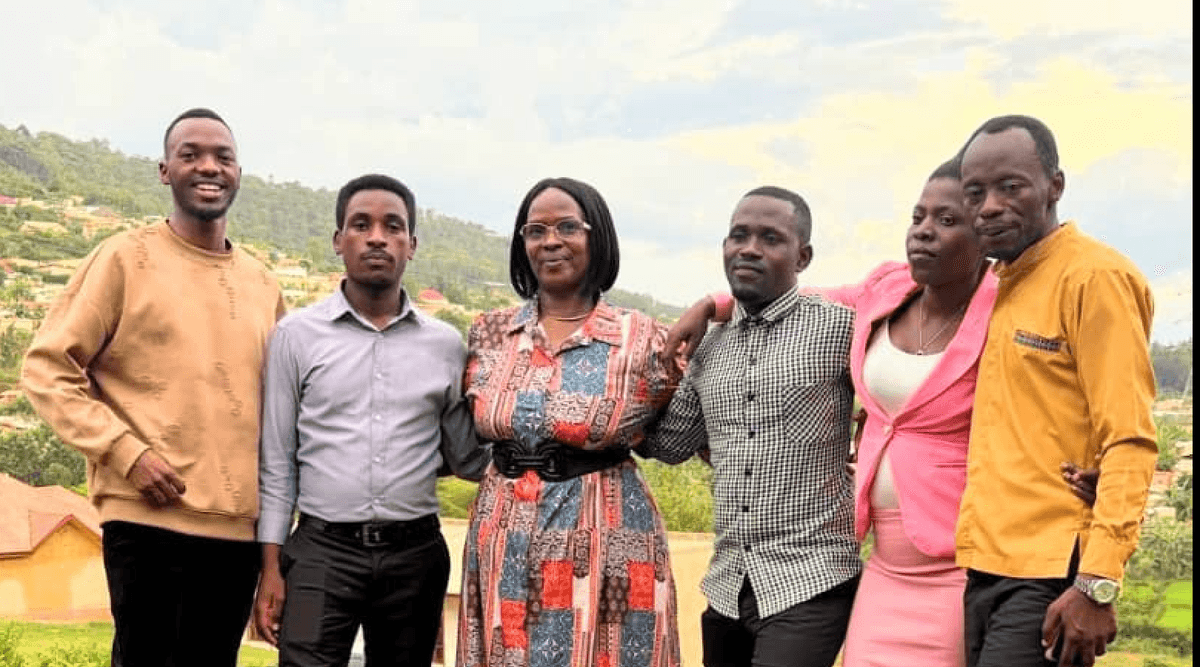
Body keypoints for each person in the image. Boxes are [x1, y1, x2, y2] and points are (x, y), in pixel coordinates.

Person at [20, 108, 285, 667]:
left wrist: (273, 549)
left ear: (240, 173)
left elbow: (283, 420)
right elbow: (47, 368)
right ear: (165, 170)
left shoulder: (263, 284)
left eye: (223, 156)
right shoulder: (123, 258)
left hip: (237, 536)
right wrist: (126, 452)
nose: (208, 166)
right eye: (191, 155)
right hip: (145, 521)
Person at [252, 173, 490, 666]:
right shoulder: (296, 337)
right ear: (339, 241)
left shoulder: (446, 344)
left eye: (393, 226)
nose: (377, 236)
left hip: (415, 554)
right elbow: (277, 463)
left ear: (412, 244)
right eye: (361, 224)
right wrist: (270, 568)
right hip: (321, 550)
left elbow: (464, 454)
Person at [953, 114, 1157, 667]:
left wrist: (1097, 581)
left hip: (1050, 572)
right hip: (985, 566)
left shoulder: (1094, 279)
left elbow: (1130, 440)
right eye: (975, 192)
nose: (989, 206)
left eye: (1010, 187)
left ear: (1055, 187)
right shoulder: (1000, 284)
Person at [456, 177, 684, 667]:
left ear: (596, 235)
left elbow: (683, 435)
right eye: (535, 231)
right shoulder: (488, 332)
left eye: (567, 227)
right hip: (502, 537)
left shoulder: (644, 338)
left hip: (608, 540)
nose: (551, 241)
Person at [641, 186, 861, 667]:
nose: (749, 248)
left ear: (802, 256)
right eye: (738, 235)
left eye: (770, 238)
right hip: (727, 585)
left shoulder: (840, 329)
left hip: (811, 578)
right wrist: (647, 373)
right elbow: (670, 443)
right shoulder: (709, 346)